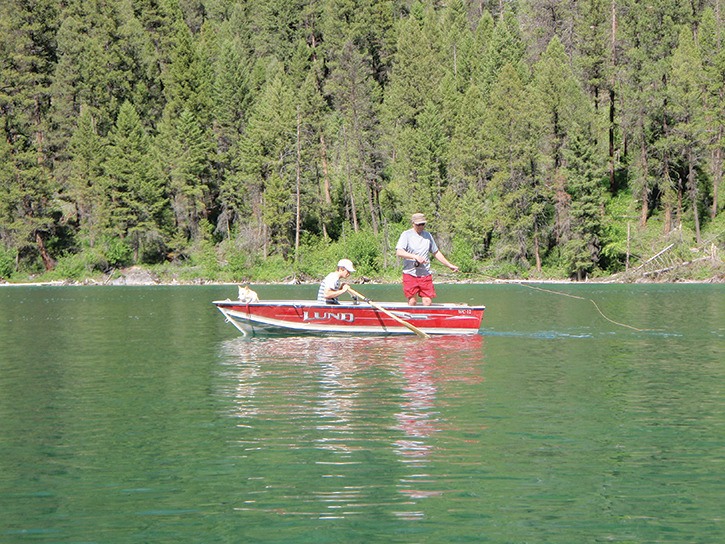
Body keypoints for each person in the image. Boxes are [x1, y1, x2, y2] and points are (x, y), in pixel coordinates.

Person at [395, 213, 458, 306]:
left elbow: (436, 252)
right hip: (410, 273)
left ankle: (426, 319)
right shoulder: (406, 235)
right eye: (418, 224)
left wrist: (449, 265)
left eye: (423, 224)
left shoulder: (428, 235)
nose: (421, 226)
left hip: (425, 274)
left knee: (427, 302)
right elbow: (399, 252)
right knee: (412, 301)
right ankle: (412, 319)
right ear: (413, 224)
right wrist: (415, 257)